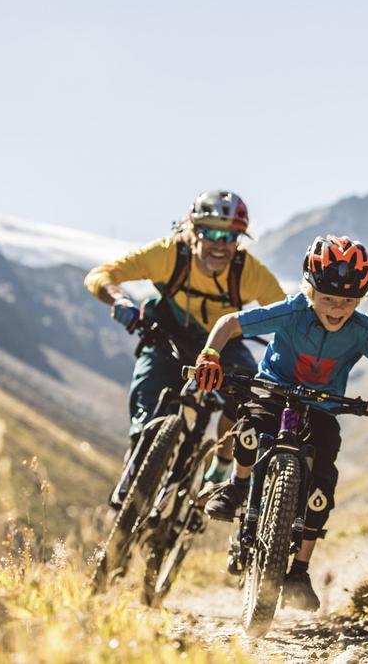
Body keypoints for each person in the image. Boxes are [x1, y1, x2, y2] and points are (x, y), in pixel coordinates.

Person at [194, 234, 368, 611]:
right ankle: (236, 485)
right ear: (309, 290)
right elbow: (230, 323)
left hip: (322, 408)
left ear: (360, 300)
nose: (337, 308)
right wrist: (211, 353)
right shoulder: (292, 311)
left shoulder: (360, 330)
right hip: (273, 390)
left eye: (347, 301)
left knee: (323, 479)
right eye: (328, 298)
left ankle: (299, 569)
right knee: (248, 425)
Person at [84, 190, 286, 508]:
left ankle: (219, 468)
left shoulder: (249, 272)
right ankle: (136, 463)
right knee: (148, 402)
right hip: (167, 335)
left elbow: (287, 315)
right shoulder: (168, 255)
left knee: (247, 396)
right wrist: (119, 299)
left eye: (231, 235)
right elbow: (100, 275)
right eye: (211, 232)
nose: (220, 244)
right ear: (191, 228)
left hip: (221, 345)